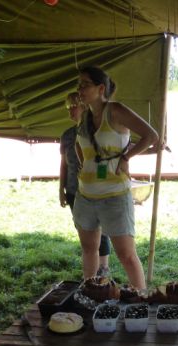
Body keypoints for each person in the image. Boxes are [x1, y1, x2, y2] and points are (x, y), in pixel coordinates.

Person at [74, 66, 158, 289]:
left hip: (114, 196)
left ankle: (140, 298)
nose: (80, 89)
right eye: (79, 85)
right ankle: (91, 293)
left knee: (126, 255)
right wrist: (86, 166)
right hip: (85, 196)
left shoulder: (115, 111)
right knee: (89, 250)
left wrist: (127, 157)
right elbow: (78, 144)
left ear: (101, 88)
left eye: (85, 85)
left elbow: (151, 136)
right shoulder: (85, 116)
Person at [59, 91, 111, 277]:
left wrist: (101, 183)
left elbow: (105, 161)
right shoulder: (67, 135)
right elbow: (64, 164)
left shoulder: (98, 130)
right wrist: (61, 190)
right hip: (74, 191)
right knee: (84, 231)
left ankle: (103, 270)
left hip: (97, 191)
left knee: (100, 231)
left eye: (73, 106)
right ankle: (90, 275)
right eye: (67, 108)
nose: (70, 111)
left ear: (84, 107)